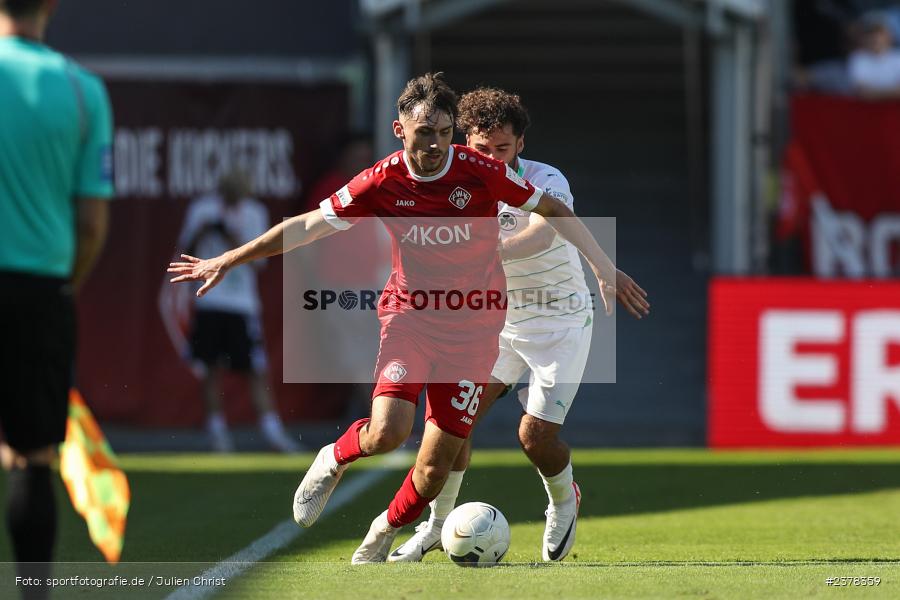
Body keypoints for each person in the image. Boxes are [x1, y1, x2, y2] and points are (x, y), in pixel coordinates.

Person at [168, 73, 649, 564]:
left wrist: (601, 266)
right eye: (426, 133)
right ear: (401, 130)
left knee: (479, 451)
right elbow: (309, 225)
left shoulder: (490, 173)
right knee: (392, 432)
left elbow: (550, 218)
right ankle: (349, 467)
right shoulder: (383, 179)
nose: (437, 144)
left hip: (509, 324)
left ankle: (391, 532)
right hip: (419, 319)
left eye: (443, 133)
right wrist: (230, 258)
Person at [387, 87, 636, 563]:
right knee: (453, 427)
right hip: (495, 325)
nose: (492, 159)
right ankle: (434, 528)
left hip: (560, 321)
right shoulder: (453, 178)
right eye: (481, 150)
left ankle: (564, 501)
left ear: (520, 145)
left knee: (534, 437)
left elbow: (547, 229)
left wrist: (486, 252)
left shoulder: (546, 178)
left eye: (502, 149)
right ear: (465, 142)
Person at [0, 0, 113, 597]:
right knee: (32, 456)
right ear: (51, 5)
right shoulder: (81, 90)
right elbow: (92, 224)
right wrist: (65, 281)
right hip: (40, 287)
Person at [178, 167, 299, 453]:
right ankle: (217, 432)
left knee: (255, 369)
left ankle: (272, 431)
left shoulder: (254, 212)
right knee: (210, 367)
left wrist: (231, 239)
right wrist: (205, 229)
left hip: (241, 305)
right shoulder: (202, 209)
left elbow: (259, 261)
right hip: (208, 301)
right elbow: (185, 250)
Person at [849, 11, 900, 98]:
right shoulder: (857, 57)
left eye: (880, 33)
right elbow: (861, 92)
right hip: (865, 110)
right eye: (871, 34)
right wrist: (891, 93)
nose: (875, 38)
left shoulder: (898, 57)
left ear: (889, 35)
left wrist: (876, 94)